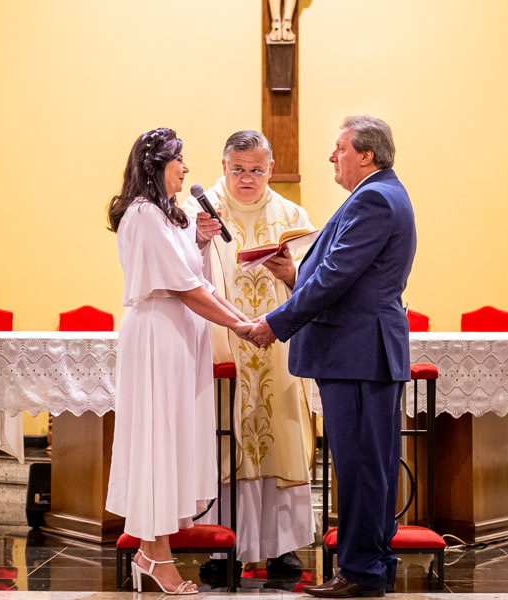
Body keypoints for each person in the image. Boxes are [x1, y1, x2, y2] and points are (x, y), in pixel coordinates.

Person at [249, 115, 416, 598]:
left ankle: (362, 572)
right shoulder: (382, 194)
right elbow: (344, 276)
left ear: (366, 154)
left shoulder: (373, 199)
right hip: (358, 349)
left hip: (357, 351)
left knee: (362, 466)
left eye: (340, 148)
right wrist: (295, 273)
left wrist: (274, 323)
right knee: (369, 463)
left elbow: (335, 280)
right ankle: (373, 566)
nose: (332, 157)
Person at [105, 127, 257, 595]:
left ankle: (154, 551)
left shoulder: (166, 216)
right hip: (158, 336)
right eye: (179, 159)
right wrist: (243, 327)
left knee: (171, 442)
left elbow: (195, 279)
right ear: (156, 165)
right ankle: (155, 556)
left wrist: (200, 242)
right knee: (157, 441)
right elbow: (186, 289)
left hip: (177, 338)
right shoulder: (144, 214)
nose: (187, 169)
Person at [182, 130, 316, 579]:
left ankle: (283, 548)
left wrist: (292, 272)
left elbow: (316, 287)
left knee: (281, 435)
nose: (246, 178)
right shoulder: (200, 213)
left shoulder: (292, 215)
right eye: (237, 169)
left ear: (270, 169)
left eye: (256, 170)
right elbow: (179, 275)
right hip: (223, 349)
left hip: (279, 351)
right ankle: (224, 549)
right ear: (223, 166)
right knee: (226, 440)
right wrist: (198, 242)